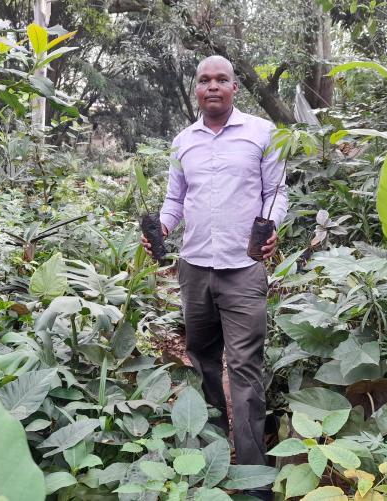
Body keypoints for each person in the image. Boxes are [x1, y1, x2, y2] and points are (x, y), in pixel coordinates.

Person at [141, 55, 287, 501]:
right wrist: (162, 228)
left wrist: (272, 227)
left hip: (243, 270)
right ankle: (212, 445)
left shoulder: (263, 133)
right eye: (204, 80)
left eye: (221, 79)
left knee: (244, 367)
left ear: (235, 87)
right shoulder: (183, 141)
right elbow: (175, 198)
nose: (212, 87)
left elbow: (276, 193)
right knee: (203, 355)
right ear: (196, 89)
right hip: (194, 267)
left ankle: (255, 479)